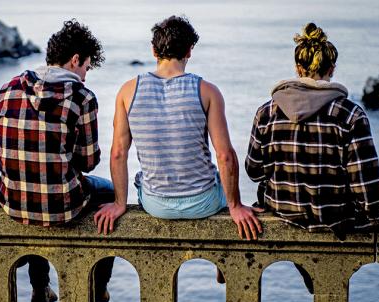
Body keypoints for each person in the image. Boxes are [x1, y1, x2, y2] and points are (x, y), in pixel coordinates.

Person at [94, 16, 262, 247]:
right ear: (189, 51)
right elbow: (225, 156)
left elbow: (118, 153)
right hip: (204, 202)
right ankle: (222, 263)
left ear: (154, 51)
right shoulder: (207, 91)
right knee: (221, 186)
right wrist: (236, 206)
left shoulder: (127, 91)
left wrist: (119, 203)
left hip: (156, 205)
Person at [245, 22, 379, 249]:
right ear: (332, 69)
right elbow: (367, 188)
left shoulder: (266, 112)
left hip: (283, 212)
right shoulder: (350, 115)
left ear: (298, 68)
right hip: (337, 219)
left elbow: (253, 171)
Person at [0, 20, 115, 302]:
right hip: (63, 208)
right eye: (86, 67)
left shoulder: (6, 89)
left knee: (33, 184)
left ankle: (40, 286)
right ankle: (98, 285)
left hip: (13, 202)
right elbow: (89, 161)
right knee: (111, 193)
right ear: (75, 60)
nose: (85, 75)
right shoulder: (82, 97)